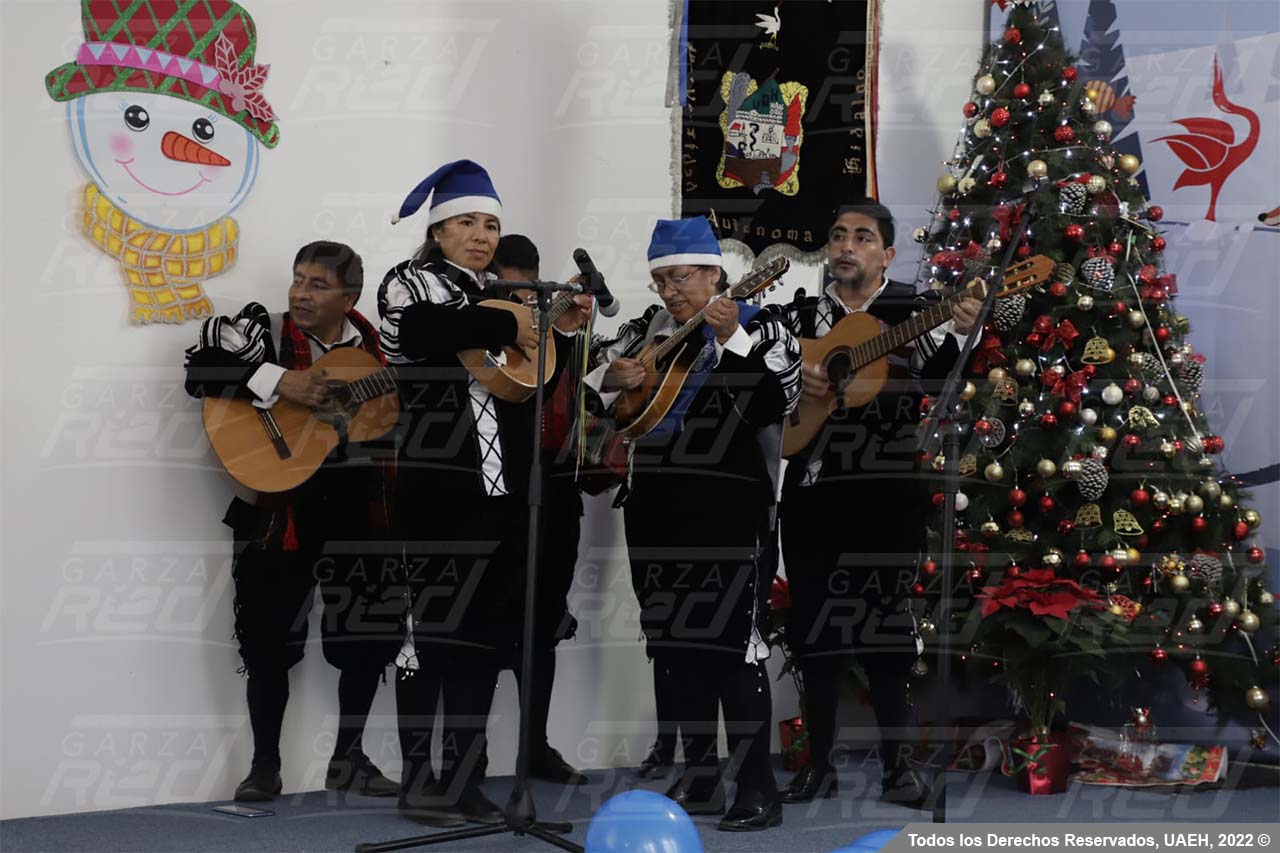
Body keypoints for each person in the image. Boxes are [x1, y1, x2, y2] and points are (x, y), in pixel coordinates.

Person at [377, 161, 593, 827]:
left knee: (480, 633)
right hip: (438, 482)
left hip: (503, 490)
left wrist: (556, 328)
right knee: (432, 633)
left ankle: (465, 777)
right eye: (467, 221)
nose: (481, 234)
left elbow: (532, 382)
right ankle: (418, 777)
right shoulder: (407, 282)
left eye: (491, 223)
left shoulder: (505, 294)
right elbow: (418, 334)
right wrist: (513, 324)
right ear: (437, 229)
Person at [760, 198, 981, 810]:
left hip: (887, 493)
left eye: (861, 237)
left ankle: (897, 769)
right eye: (836, 235)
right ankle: (818, 766)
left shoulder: (915, 309)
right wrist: (790, 382)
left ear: (886, 252)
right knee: (814, 633)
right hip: (811, 493)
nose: (845, 247)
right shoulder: (797, 314)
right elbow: (758, 386)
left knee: (886, 633)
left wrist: (961, 328)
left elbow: (940, 383)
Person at [586, 217, 801, 832]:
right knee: (675, 647)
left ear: (716, 275)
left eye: (681, 277)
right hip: (655, 509)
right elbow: (589, 383)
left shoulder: (764, 326)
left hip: (732, 510)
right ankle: (701, 774)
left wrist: (733, 339)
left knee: (734, 649)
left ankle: (759, 785)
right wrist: (609, 381)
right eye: (660, 280)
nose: (670, 291)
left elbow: (780, 397)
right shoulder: (643, 332)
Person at [184, 241, 402, 802]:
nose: (301, 294)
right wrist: (281, 381)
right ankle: (264, 766)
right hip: (283, 512)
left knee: (367, 633)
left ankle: (349, 758)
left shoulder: (376, 349)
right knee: (268, 638)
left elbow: (392, 417)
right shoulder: (264, 328)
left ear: (349, 297)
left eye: (317, 285)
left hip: (358, 509)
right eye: (298, 280)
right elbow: (200, 371)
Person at [471, 233, 587, 786]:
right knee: (488, 624)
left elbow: (590, 393)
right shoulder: (478, 333)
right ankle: (469, 758)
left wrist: (567, 334)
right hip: (493, 498)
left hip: (558, 491)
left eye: (526, 295)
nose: (518, 307)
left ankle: (534, 745)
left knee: (543, 626)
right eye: (505, 294)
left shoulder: (559, 335)